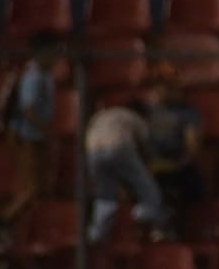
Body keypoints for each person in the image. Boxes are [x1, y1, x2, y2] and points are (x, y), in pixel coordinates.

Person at [84, 101, 175, 244]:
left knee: (105, 193)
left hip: (93, 151)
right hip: (117, 146)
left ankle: (98, 232)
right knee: (143, 183)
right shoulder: (133, 116)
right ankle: (148, 215)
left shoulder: (103, 114)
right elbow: (147, 147)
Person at [0, 31, 61, 233]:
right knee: (31, 187)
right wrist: (47, 130)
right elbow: (28, 108)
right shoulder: (33, 75)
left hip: (38, 137)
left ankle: (25, 228)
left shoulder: (47, 74)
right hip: (26, 137)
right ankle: (3, 222)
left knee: (42, 187)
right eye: (54, 52)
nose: (57, 57)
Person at [143, 74, 205, 217]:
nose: (161, 90)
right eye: (159, 87)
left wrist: (178, 163)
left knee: (193, 182)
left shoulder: (188, 112)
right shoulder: (150, 111)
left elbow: (193, 145)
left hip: (179, 165)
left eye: (168, 87)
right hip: (153, 166)